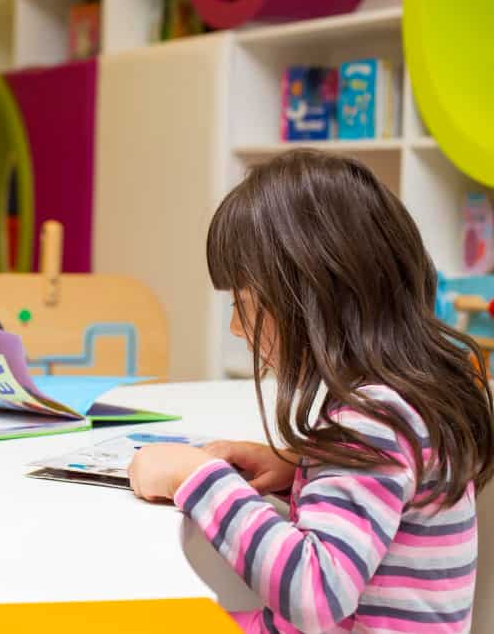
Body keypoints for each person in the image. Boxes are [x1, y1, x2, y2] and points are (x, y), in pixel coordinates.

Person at [128, 150, 493, 633]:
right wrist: (301, 469)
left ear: (312, 299)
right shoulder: (404, 402)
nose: (237, 327)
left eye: (243, 305)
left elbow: (315, 593)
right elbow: (386, 503)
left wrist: (194, 479)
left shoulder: (374, 420)